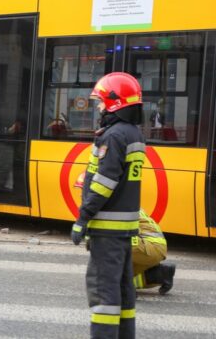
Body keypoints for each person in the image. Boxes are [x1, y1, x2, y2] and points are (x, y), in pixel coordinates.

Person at [70, 72, 145, 339]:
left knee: (104, 293)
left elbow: (104, 183)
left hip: (106, 228)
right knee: (124, 293)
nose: (99, 107)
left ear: (115, 102)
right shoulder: (133, 133)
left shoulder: (113, 136)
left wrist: (83, 217)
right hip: (124, 230)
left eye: (101, 102)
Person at [132, 209, 176, 294]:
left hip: (147, 245)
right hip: (153, 247)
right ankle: (159, 274)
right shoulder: (126, 201)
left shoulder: (112, 205)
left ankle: (126, 289)